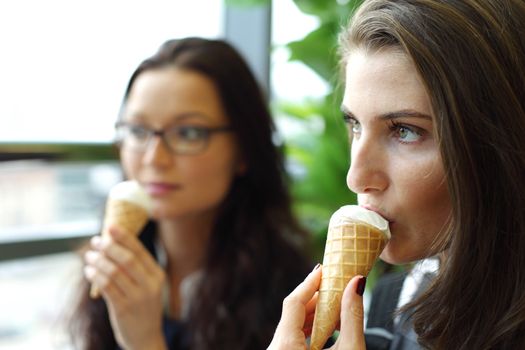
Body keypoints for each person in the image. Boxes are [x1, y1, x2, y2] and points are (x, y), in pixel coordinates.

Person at [268, 0, 525, 349]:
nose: (356, 178)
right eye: (355, 124)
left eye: (405, 131)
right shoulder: (390, 306)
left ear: (500, 140)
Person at [67, 37, 312, 350]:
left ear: (243, 150)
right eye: (138, 131)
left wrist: (144, 341)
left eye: (188, 133)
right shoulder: (108, 265)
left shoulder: (291, 292)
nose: (154, 158)